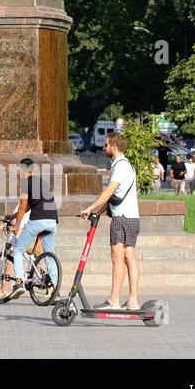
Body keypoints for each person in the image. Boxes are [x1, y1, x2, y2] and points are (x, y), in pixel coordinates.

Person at [81, 131, 141, 311]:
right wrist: (97, 212)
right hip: (132, 217)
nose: (104, 147)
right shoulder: (127, 165)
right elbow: (115, 197)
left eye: (106, 145)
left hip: (121, 218)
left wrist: (90, 208)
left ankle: (114, 299)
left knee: (117, 258)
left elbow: (108, 193)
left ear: (113, 146)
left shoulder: (120, 166)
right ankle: (133, 300)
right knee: (129, 257)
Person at [9, 157, 58, 291]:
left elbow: (22, 207)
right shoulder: (42, 182)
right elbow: (31, 205)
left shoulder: (26, 183)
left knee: (18, 250)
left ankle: (19, 282)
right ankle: (54, 289)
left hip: (38, 220)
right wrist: (12, 216)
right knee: (49, 254)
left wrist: (16, 226)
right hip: (52, 221)